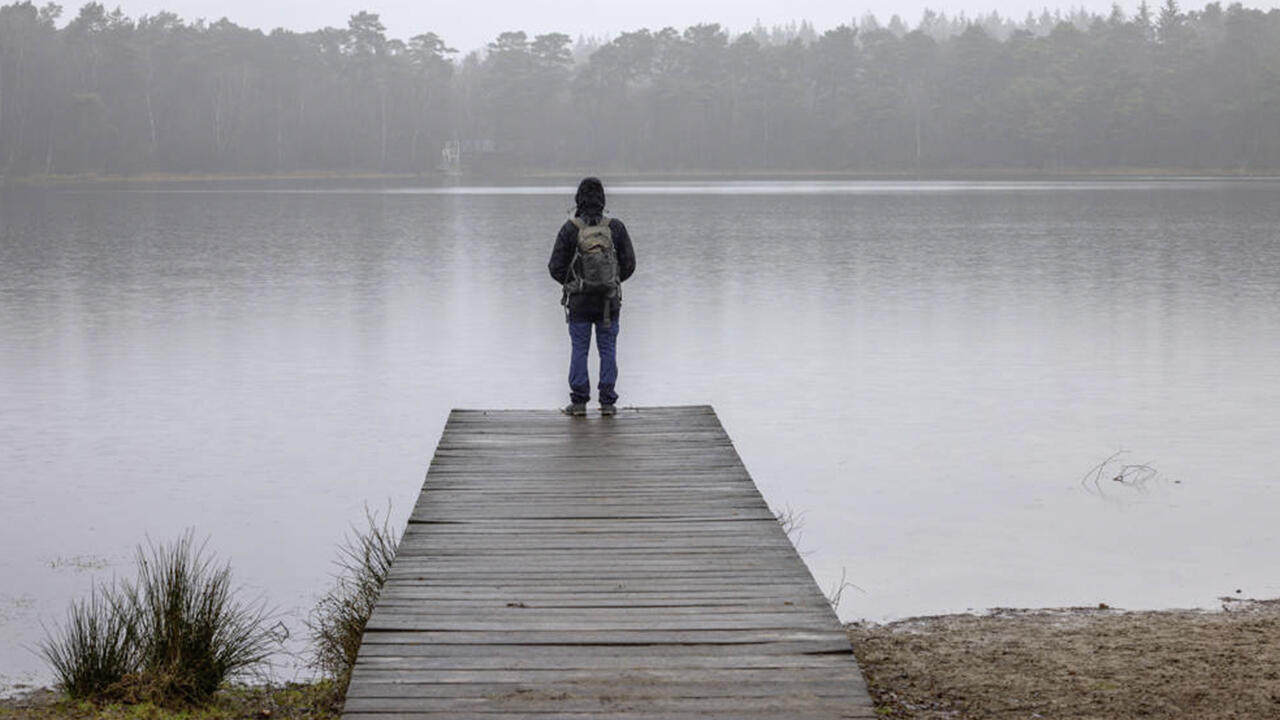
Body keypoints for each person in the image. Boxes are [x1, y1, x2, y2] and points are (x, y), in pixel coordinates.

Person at [548, 177, 636, 416]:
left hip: (579, 303)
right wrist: (611, 281)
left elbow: (555, 267)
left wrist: (575, 284)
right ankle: (607, 402)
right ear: (602, 200)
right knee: (608, 349)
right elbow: (629, 264)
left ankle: (578, 402)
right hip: (609, 302)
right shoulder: (615, 228)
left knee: (580, 349)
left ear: (578, 199)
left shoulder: (570, 229)